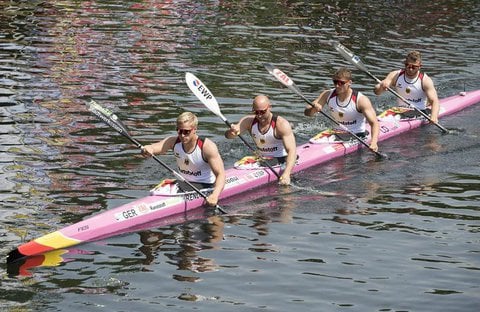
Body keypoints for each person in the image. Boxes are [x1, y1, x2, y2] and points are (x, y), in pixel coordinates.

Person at [142, 112, 225, 207]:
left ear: (195, 129)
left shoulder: (207, 146)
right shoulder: (173, 141)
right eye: (179, 131)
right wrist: (147, 149)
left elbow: (221, 174)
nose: (182, 135)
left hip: (205, 186)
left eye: (186, 132)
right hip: (183, 183)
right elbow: (155, 147)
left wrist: (215, 195)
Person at [224, 95, 296, 186]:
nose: (259, 115)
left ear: (270, 107)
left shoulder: (281, 124)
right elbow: (228, 136)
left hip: (281, 158)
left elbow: (292, 151)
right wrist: (231, 132)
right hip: (262, 159)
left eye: (262, 111)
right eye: (256, 112)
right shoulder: (248, 121)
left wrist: (286, 173)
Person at [304, 67, 379, 152]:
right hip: (336, 133)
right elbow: (307, 113)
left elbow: (374, 123)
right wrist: (313, 108)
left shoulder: (361, 100)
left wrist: (374, 142)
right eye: (335, 82)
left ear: (349, 83)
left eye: (341, 83)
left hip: (357, 135)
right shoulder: (327, 94)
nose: (337, 85)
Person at [373, 50, 439, 123]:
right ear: (405, 63)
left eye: (414, 67)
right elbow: (377, 92)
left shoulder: (425, 80)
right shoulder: (395, 75)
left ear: (420, 66)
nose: (410, 69)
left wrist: (434, 116)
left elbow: (434, 101)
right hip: (400, 110)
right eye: (408, 65)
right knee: (379, 118)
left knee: (392, 117)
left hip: (419, 111)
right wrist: (381, 86)